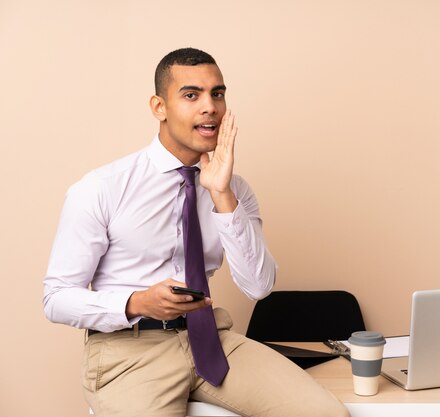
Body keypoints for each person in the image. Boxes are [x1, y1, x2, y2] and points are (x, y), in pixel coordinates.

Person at [43, 47, 350, 417]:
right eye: (192, 95)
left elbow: (258, 286)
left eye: (217, 94)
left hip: (210, 338)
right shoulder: (101, 188)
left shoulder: (235, 191)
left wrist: (221, 193)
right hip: (128, 349)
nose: (210, 107)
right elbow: (56, 298)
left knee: (325, 414)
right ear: (159, 107)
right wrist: (137, 303)